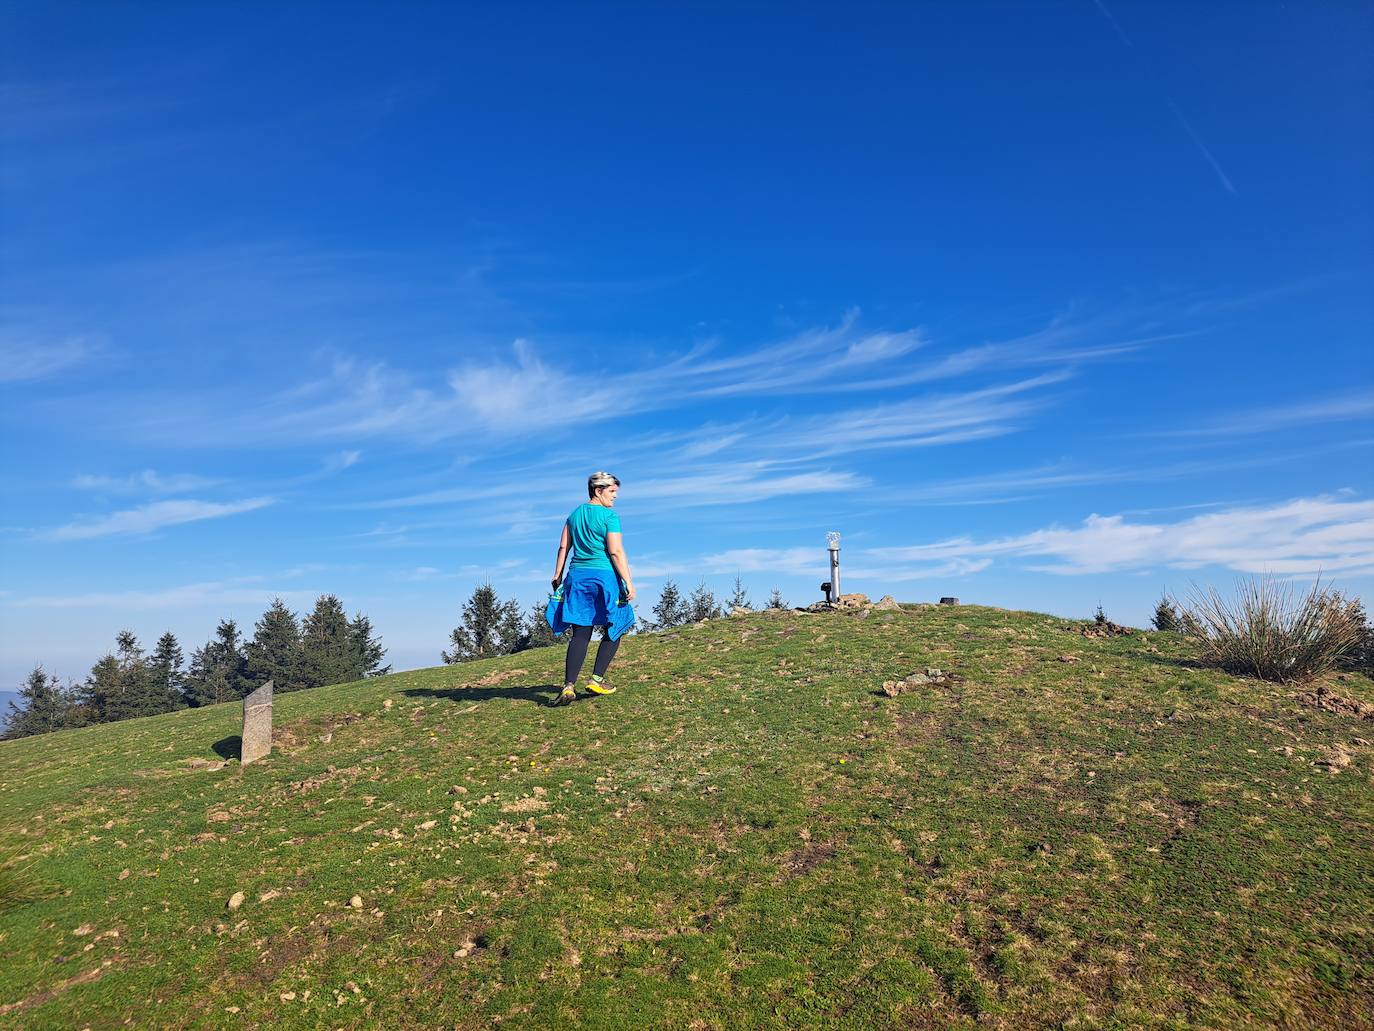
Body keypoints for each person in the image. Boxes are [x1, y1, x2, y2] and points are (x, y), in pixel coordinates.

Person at [549, 472, 637, 705]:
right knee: (616, 624)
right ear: (598, 491)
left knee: (580, 633)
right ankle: (597, 679)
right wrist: (628, 581)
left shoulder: (574, 515)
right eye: (612, 492)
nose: (615, 497)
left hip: (577, 577)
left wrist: (557, 574)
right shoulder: (609, 516)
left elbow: (563, 547)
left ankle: (569, 686)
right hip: (604, 577)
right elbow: (616, 551)